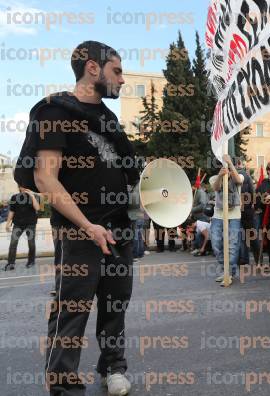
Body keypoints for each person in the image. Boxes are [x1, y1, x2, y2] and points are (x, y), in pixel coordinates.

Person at [24, 41, 139, 395]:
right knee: (71, 311)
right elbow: (45, 177)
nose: (121, 80)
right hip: (78, 231)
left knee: (115, 305)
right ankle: (63, 385)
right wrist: (88, 226)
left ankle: (112, 367)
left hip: (117, 227)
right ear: (93, 68)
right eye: (117, 71)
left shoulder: (109, 119)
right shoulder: (54, 111)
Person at [209, 154, 244, 286]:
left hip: (234, 216)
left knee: (233, 244)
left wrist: (230, 163)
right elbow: (216, 188)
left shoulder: (238, 176)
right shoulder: (214, 178)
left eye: (227, 165)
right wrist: (220, 176)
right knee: (216, 243)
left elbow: (239, 181)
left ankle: (229, 273)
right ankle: (225, 270)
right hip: (218, 215)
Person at [5, 186, 40, 270]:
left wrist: (32, 196)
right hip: (18, 224)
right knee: (13, 243)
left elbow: (37, 208)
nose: (24, 188)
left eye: (26, 186)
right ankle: (11, 264)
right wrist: (8, 223)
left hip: (30, 224)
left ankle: (31, 261)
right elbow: (11, 211)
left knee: (31, 244)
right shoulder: (14, 197)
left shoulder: (34, 196)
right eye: (22, 187)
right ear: (19, 188)